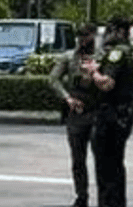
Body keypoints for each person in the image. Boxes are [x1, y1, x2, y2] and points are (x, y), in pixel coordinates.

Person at [49, 24, 102, 207]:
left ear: (93, 36)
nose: (82, 40)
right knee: (78, 159)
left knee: (101, 158)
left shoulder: (102, 56)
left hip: (97, 110)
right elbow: (53, 79)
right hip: (76, 111)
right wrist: (67, 98)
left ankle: (105, 197)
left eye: (86, 36)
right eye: (80, 37)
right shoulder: (69, 57)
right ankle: (82, 196)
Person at [90, 17, 133, 207]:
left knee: (105, 165)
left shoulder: (117, 54)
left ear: (120, 32)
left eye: (110, 31)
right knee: (117, 165)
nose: (106, 36)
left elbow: (107, 84)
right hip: (124, 114)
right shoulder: (132, 53)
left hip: (110, 116)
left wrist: (93, 72)